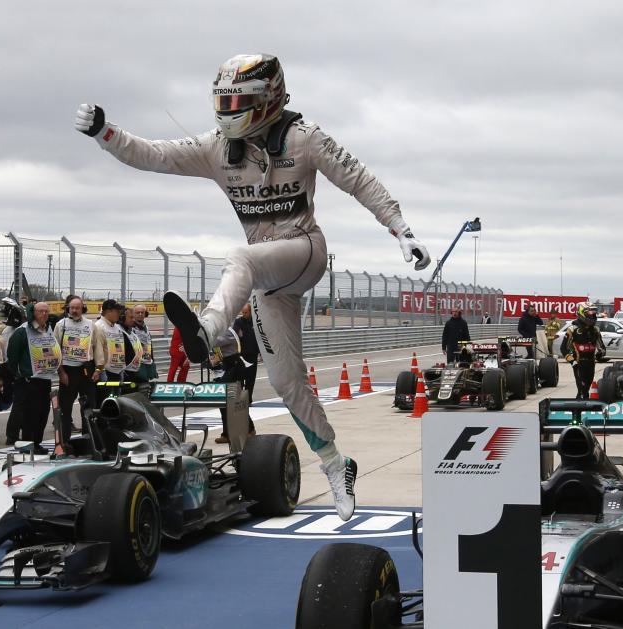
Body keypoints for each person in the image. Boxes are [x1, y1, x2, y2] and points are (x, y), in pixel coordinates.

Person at [76, 53, 432, 520]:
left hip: (304, 250)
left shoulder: (305, 138)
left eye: (239, 99)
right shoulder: (216, 147)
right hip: (267, 280)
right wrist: (106, 133)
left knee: (239, 256)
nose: (229, 109)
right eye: (224, 100)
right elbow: (155, 155)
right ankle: (334, 463)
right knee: (286, 382)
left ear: (269, 99)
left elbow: (358, 179)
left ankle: (207, 330)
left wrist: (400, 227)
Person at [7, 302, 60, 452]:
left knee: (43, 413)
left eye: (46, 311)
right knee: (30, 415)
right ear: (33, 313)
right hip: (29, 381)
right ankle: (28, 444)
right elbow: (12, 356)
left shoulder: (49, 329)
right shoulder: (22, 332)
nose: (44, 314)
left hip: (45, 379)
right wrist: (19, 375)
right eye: (40, 311)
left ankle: (37, 442)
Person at [216, 304, 259, 444]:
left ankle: (250, 429)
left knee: (235, 401)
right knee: (225, 401)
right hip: (228, 366)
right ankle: (227, 433)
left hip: (235, 367)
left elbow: (217, 342)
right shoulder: (226, 328)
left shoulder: (229, 331)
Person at [54, 296, 95, 435]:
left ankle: (88, 437)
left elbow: (96, 347)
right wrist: (61, 372)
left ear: (82, 308)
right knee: (65, 407)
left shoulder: (90, 324)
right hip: (67, 370)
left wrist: (98, 369)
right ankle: (65, 441)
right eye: (72, 308)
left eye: (77, 308)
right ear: (68, 309)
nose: (75, 310)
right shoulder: (61, 324)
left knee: (87, 406)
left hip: (85, 369)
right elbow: (55, 350)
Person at [560, 302, 606, 400]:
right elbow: (563, 348)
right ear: (582, 313)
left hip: (591, 363)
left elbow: (602, 348)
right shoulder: (573, 329)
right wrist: (572, 361)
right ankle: (578, 409)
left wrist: (600, 354)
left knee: (586, 390)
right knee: (582, 390)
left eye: (593, 313)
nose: (592, 315)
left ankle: (583, 407)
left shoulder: (595, 330)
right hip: (578, 363)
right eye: (589, 313)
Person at [91, 300, 126, 390]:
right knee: (106, 401)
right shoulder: (99, 326)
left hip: (118, 371)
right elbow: (98, 352)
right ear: (108, 311)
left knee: (116, 401)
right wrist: (99, 370)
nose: (119, 314)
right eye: (117, 311)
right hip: (105, 372)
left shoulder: (117, 327)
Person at [132, 304, 158, 383]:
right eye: (137, 312)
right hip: (135, 363)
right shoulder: (130, 327)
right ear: (133, 314)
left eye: (142, 312)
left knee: (146, 387)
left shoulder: (146, 327)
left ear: (145, 314)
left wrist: (152, 360)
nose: (140, 314)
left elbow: (149, 344)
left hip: (146, 360)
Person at [120, 307, 145, 383]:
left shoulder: (132, 332)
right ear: (122, 318)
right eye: (131, 317)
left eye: (134, 317)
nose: (133, 320)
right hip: (124, 372)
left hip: (134, 370)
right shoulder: (119, 332)